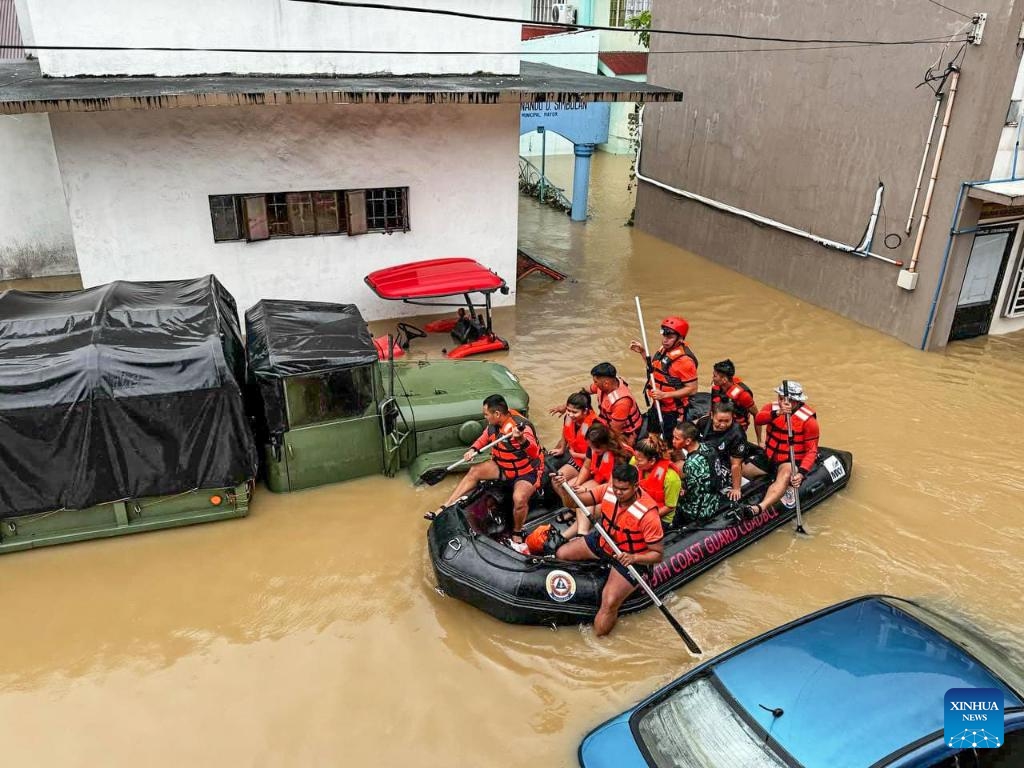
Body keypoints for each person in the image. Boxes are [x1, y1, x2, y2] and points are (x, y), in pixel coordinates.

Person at [553, 464, 664, 636]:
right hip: (603, 542)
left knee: (610, 601)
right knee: (562, 554)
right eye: (616, 487)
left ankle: (599, 642)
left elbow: (657, 555)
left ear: (636, 486)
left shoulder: (649, 515)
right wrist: (564, 490)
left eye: (624, 489)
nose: (618, 493)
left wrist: (633, 558)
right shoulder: (607, 490)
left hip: (628, 558)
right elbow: (573, 503)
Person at [431, 394, 542, 553]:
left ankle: (517, 532)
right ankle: (446, 505)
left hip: (525, 472)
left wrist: (521, 439)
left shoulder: (521, 427)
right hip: (503, 466)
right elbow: (484, 438)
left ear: (497, 414)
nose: (485, 417)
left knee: (519, 499)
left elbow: (533, 451)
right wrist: (473, 450)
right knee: (474, 471)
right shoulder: (495, 424)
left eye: (486, 414)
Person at [743, 381, 820, 518]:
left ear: (795, 401)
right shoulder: (772, 408)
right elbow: (759, 419)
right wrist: (777, 413)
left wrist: (801, 473)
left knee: (785, 475)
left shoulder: (809, 421)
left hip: (790, 459)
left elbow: (811, 451)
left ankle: (760, 507)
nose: (781, 402)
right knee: (743, 469)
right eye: (780, 398)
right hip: (769, 455)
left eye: (786, 400)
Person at [558, 422, 634, 538]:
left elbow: (611, 485)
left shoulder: (621, 457)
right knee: (570, 489)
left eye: (596, 448)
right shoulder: (594, 447)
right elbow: (587, 467)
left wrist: (585, 489)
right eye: (591, 447)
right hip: (600, 480)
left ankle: (571, 536)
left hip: (615, 489)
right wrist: (578, 484)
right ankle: (574, 524)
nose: (593, 450)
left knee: (586, 500)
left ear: (606, 444)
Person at [629, 316, 698, 442]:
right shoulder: (664, 350)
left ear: (680, 338)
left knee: (671, 444)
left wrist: (665, 395)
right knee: (652, 436)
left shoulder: (685, 361)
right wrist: (643, 353)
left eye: (670, 337)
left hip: (673, 411)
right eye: (664, 336)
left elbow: (692, 389)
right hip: (658, 405)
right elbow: (655, 370)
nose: (665, 340)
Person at [695, 401, 748, 502]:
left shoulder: (737, 434)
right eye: (719, 420)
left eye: (727, 421)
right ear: (712, 416)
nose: (723, 425)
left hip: (723, 466)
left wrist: (736, 488)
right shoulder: (703, 423)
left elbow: (736, 464)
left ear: (732, 417)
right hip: (704, 458)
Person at [672, 421, 721, 527]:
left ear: (688, 441)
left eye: (676, 439)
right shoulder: (707, 447)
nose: (673, 441)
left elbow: (690, 493)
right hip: (714, 500)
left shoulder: (691, 464)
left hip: (699, 511)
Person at [545, 390, 597, 486]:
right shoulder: (568, 417)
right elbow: (565, 431)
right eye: (568, 410)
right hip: (575, 456)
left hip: (588, 462)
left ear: (585, 411)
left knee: (562, 485)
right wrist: (561, 448)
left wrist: (575, 454)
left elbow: (596, 455)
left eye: (574, 412)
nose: (570, 414)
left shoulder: (594, 427)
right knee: (555, 480)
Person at [588, 362, 645, 446]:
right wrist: (566, 405)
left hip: (625, 432)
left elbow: (615, 430)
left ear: (606, 383)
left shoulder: (622, 402)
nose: (594, 384)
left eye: (596, 382)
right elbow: (586, 390)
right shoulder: (606, 384)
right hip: (607, 422)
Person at [630, 434, 681, 525]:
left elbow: (669, 507)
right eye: (635, 458)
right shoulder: (635, 462)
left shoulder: (671, 478)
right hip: (638, 508)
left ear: (652, 461)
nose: (636, 462)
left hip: (661, 518)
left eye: (639, 460)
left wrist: (645, 518)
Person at [710, 359, 761, 444]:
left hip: (736, 429)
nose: (713, 378)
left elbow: (757, 415)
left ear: (724, 379)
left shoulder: (743, 395)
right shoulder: (717, 388)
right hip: (719, 424)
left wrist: (760, 441)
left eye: (715, 376)